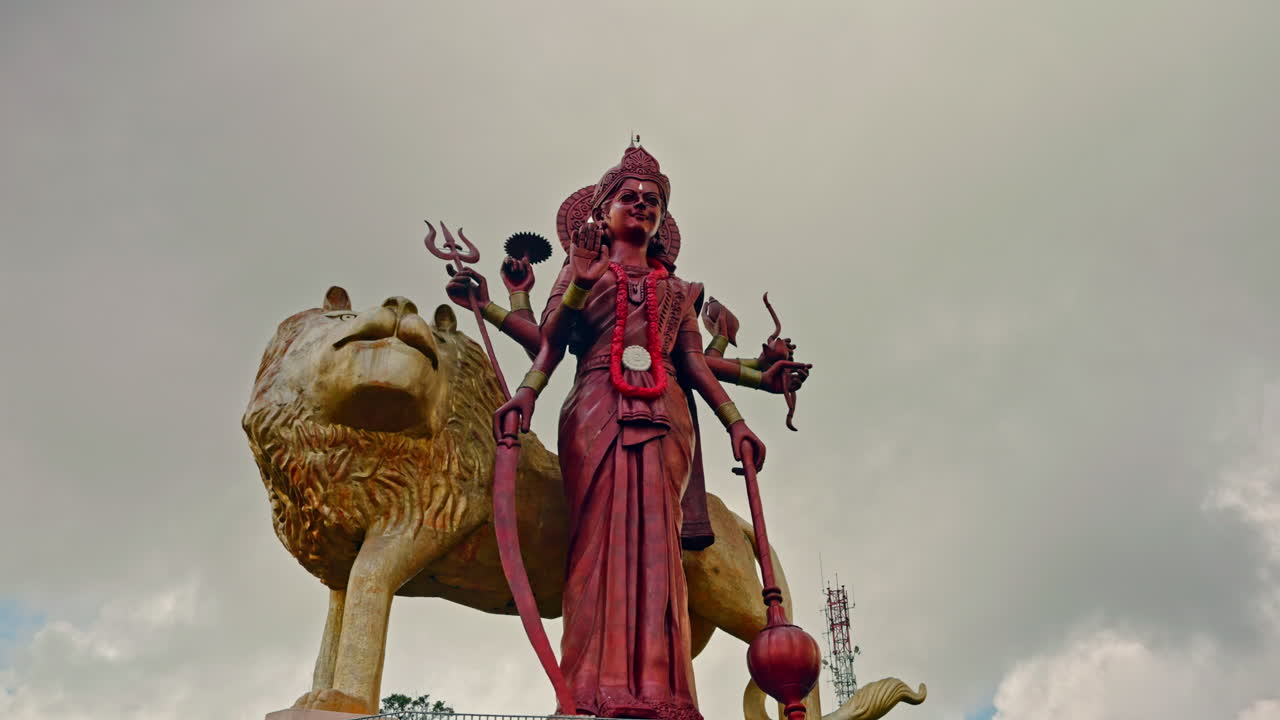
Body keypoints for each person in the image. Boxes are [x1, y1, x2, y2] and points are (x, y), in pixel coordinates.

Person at [494, 145, 778, 720]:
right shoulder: (578, 269)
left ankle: (665, 694)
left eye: (653, 201)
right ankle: (588, 693)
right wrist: (525, 392)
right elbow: (551, 339)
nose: (642, 205)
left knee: (659, 549)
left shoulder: (678, 291)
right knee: (598, 544)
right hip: (596, 404)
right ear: (604, 209)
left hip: (666, 413)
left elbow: (697, 366)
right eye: (630, 197)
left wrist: (737, 424)